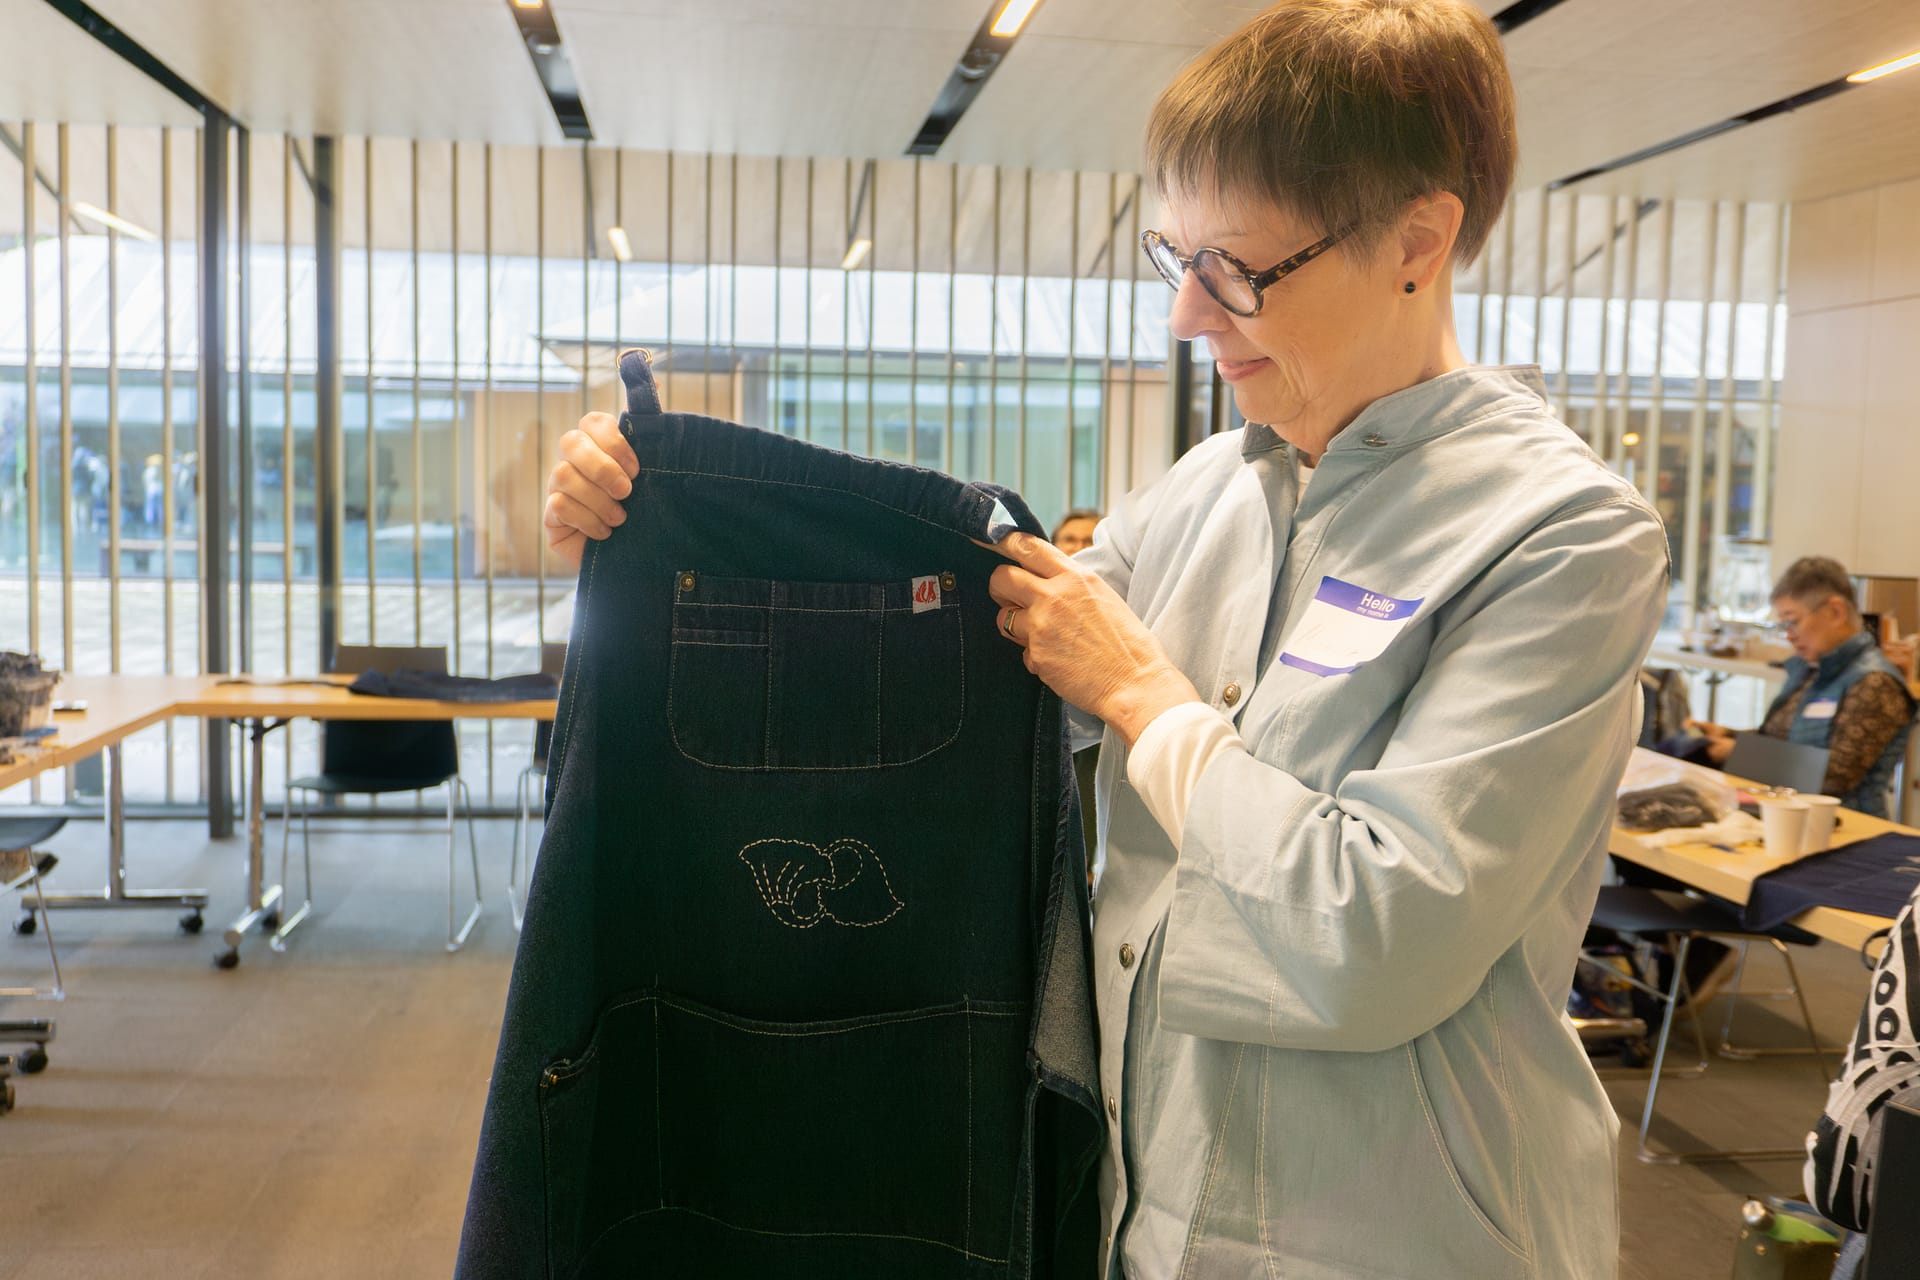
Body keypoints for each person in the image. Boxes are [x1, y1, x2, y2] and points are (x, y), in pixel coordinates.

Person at [542, 2, 1669, 1274]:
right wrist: (668, 527)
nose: (1189, 315)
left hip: (1405, 1228)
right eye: (1172, 256)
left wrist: (1149, 699)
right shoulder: (1205, 493)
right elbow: (950, 661)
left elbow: (1375, 931)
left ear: (1421, 238)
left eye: (1238, 269)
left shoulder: (1562, 534)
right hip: (1153, 1205)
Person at [1688, 557, 1916, 818]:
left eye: (1792, 621)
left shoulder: (1875, 682)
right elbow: (1783, 739)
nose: (1789, 635)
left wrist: (1736, 752)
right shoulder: (1809, 670)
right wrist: (1729, 735)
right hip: (1790, 818)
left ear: (1835, 612)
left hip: (1850, 831)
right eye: (1783, 625)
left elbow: (1835, 776)